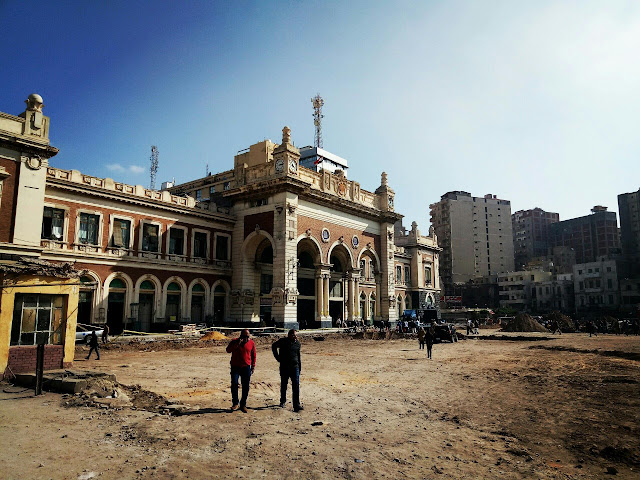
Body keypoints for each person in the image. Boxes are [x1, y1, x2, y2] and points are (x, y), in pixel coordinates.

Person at [272, 329, 303, 412]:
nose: (296, 337)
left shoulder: (298, 344)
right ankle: (282, 401)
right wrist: (278, 358)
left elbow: (298, 356)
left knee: (296, 386)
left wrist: (299, 367)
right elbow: (274, 346)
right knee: (284, 384)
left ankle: (296, 404)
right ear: (290, 335)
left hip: (294, 367)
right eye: (294, 335)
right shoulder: (283, 341)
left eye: (296, 335)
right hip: (284, 367)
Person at [226, 329, 256, 413]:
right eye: (245, 336)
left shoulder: (251, 343)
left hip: (246, 367)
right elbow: (228, 350)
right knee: (234, 383)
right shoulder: (234, 341)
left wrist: (253, 366)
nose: (246, 338)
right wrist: (237, 344)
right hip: (235, 367)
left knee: (245, 386)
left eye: (248, 336)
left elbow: (254, 355)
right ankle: (235, 403)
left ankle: (243, 404)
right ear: (241, 336)